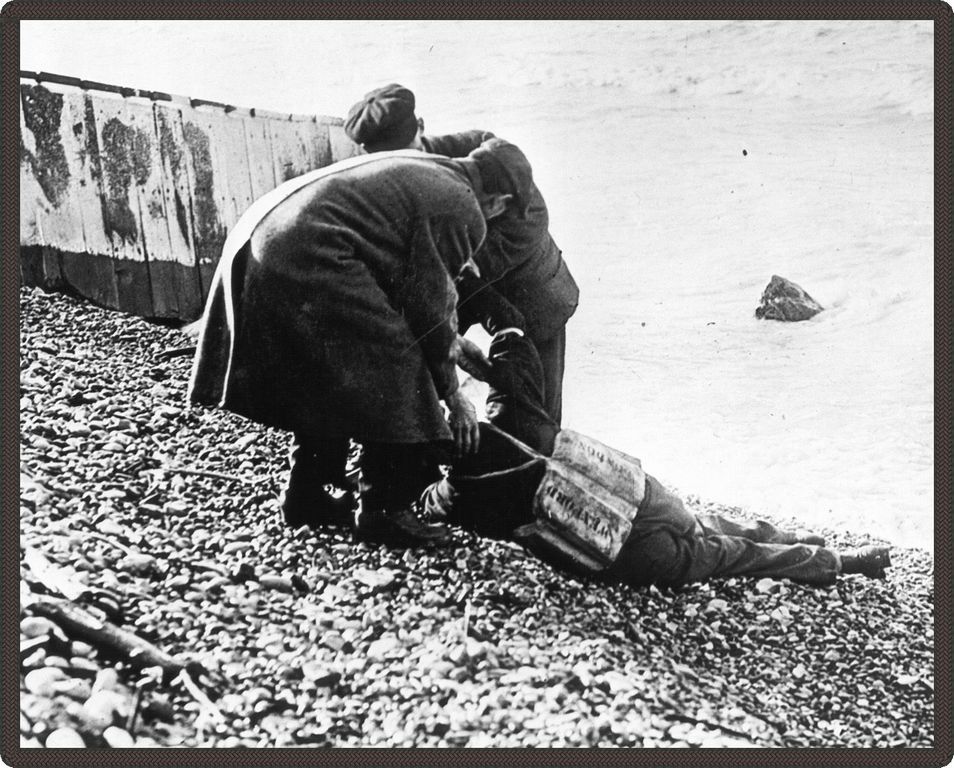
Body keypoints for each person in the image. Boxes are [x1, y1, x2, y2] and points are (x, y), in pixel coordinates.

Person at [187, 149, 510, 546]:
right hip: (303, 248)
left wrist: (453, 345)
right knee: (400, 361)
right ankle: (385, 510)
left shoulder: (431, 165)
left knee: (328, 369)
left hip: (263, 236)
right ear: (500, 201)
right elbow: (429, 309)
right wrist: (455, 397)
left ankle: (305, 496)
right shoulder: (464, 205)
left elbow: (398, 283)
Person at [421, 331, 892, 587]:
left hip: (616, 545)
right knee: (716, 532)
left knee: (727, 552)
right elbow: (514, 342)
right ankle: (824, 552)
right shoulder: (511, 418)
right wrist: (464, 359)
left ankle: (836, 558)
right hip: (636, 501)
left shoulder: (458, 493)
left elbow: (432, 500)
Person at [344, 84, 579, 425]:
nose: (398, 169)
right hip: (458, 282)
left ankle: (534, 465)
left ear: (421, 128)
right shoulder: (388, 180)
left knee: (534, 407)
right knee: (410, 361)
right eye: (384, 162)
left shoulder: (497, 170)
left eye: (404, 155)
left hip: (532, 291)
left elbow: (458, 266)